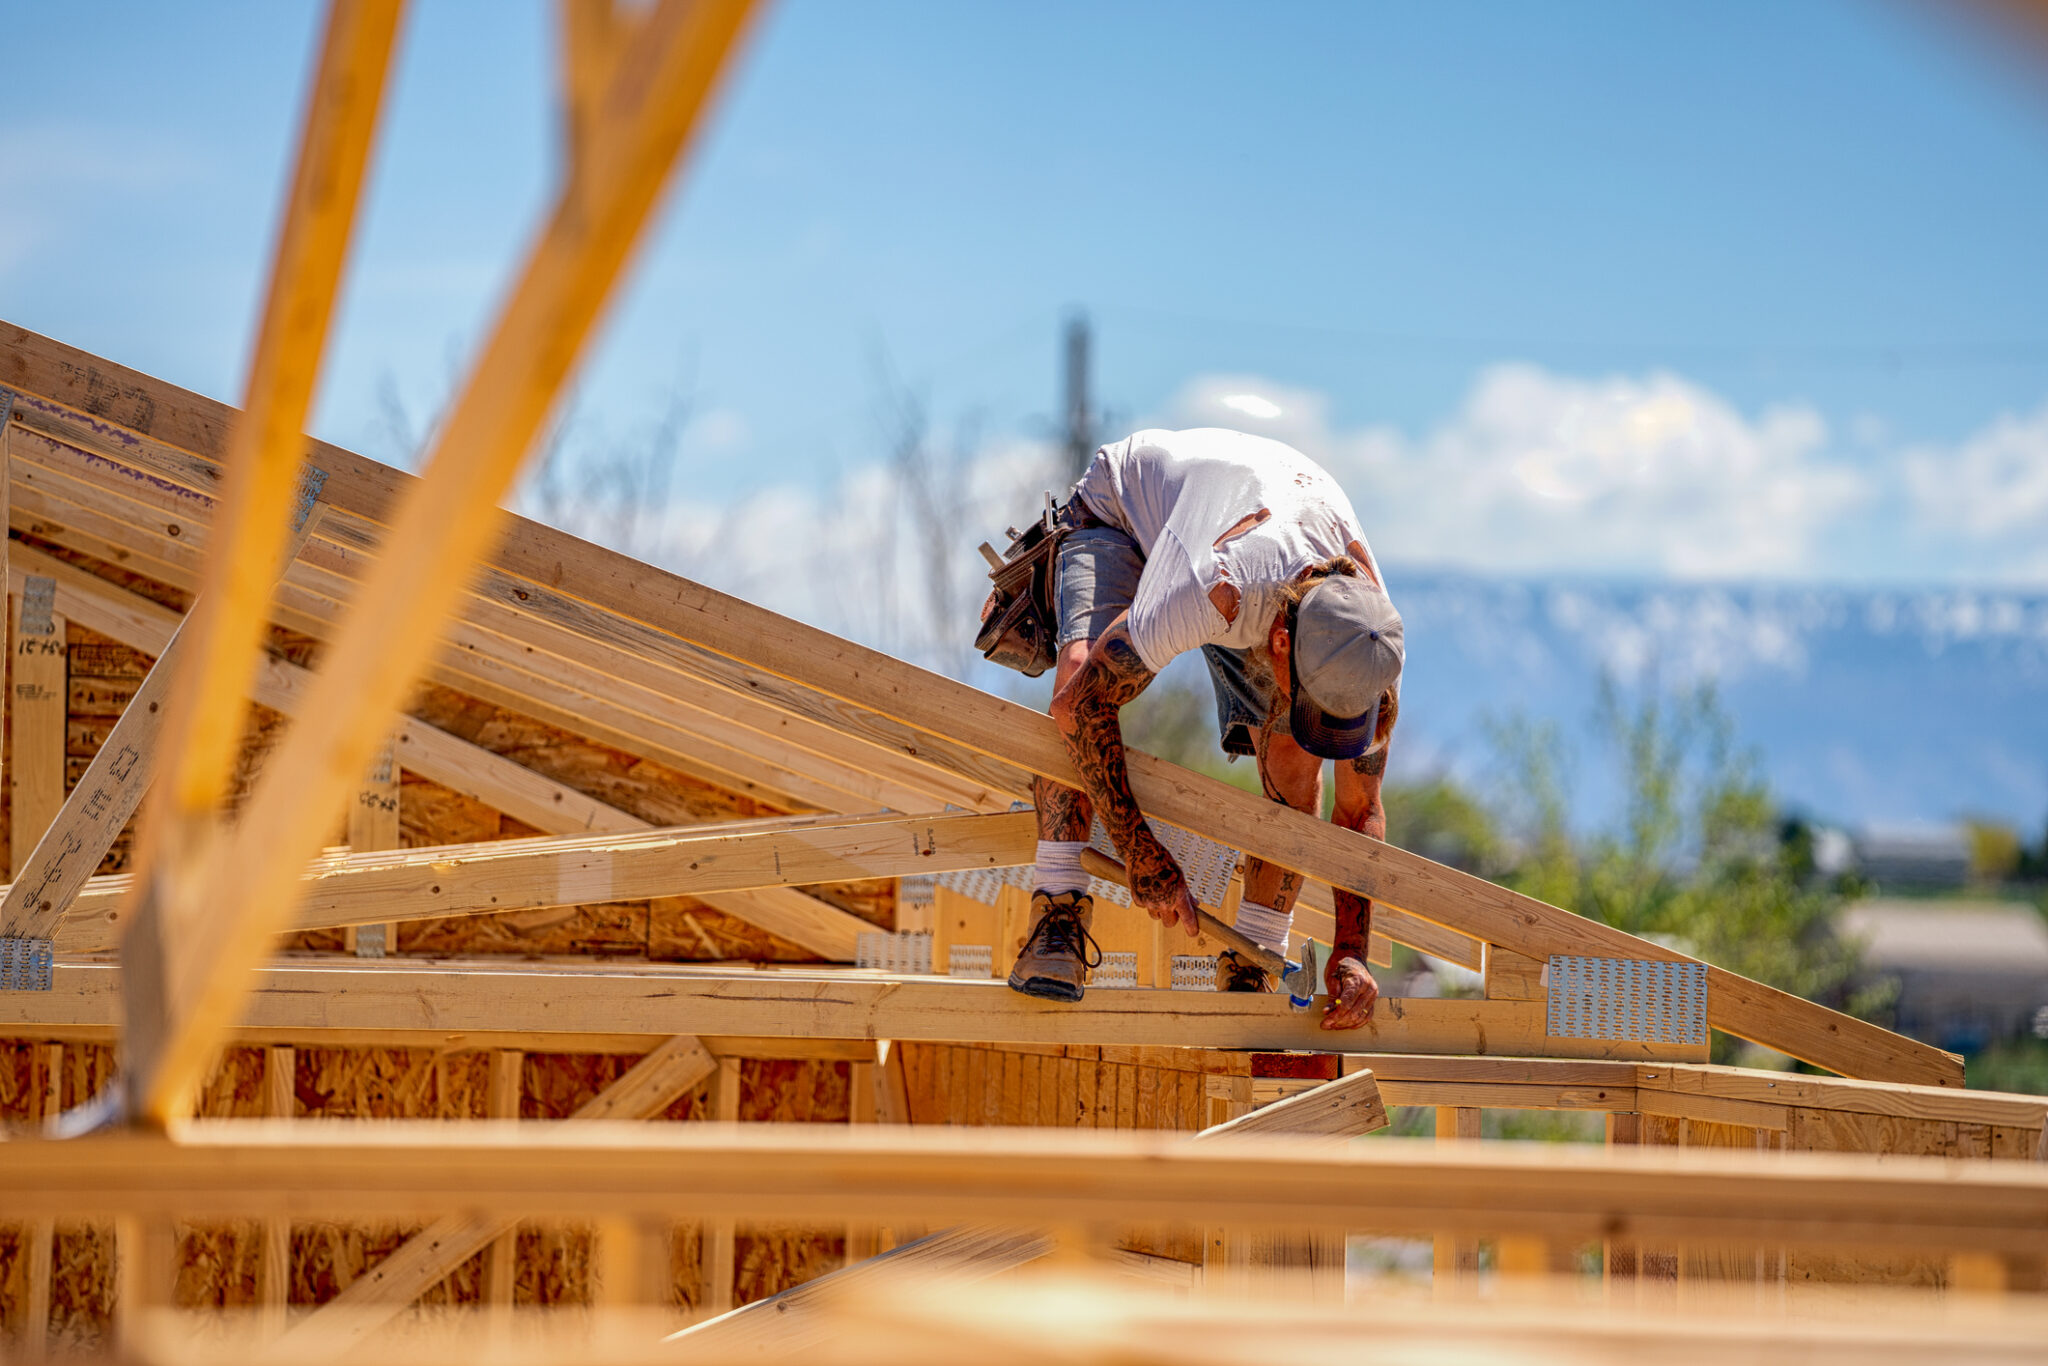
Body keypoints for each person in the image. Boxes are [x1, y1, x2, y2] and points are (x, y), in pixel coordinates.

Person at [995, 427, 1401, 1031]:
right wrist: (1141, 855)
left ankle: (1252, 957)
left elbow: (1359, 808)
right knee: (1080, 677)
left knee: (1297, 758)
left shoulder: (1367, 644)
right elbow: (1080, 709)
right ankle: (1058, 912)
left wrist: (1352, 953)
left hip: (1254, 532)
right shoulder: (1210, 589)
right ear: (1281, 646)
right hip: (1126, 515)